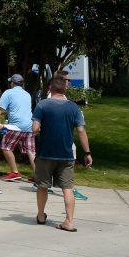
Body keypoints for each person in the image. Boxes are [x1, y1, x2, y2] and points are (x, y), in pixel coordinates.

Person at [33, 73, 92, 231]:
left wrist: (41, 128)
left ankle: (41, 215)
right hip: (66, 154)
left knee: (42, 186)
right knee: (67, 188)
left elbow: (35, 129)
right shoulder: (74, 107)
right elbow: (81, 131)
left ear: (50, 88)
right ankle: (69, 221)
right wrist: (87, 153)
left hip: (45, 153)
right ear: (65, 89)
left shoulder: (42, 105)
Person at [0, 73, 36, 181]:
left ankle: (15, 172)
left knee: (6, 147)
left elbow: (0, 109)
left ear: (12, 83)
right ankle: (39, 175)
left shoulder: (8, 92)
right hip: (29, 125)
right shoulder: (27, 94)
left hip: (15, 125)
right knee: (31, 151)